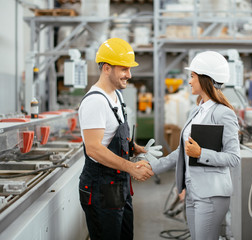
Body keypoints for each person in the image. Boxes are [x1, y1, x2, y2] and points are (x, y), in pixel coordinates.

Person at [149, 51, 241, 240]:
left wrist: (201, 153)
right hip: (192, 192)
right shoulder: (197, 111)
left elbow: (233, 157)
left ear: (206, 79)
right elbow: (182, 152)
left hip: (211, 195)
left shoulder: (223, 114)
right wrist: (152, 167)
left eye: (192, 76)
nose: (189, 81)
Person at [78, 38, 154, 240]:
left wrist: (133, 147)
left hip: (117, 183)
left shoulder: (117, 96)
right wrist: (130, 167)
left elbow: (112, 135)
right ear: (106, 68)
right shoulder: (95, 101)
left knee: (124, 234)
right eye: (124, 69)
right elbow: (93, 149)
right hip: (101, 184)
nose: (129, 75)